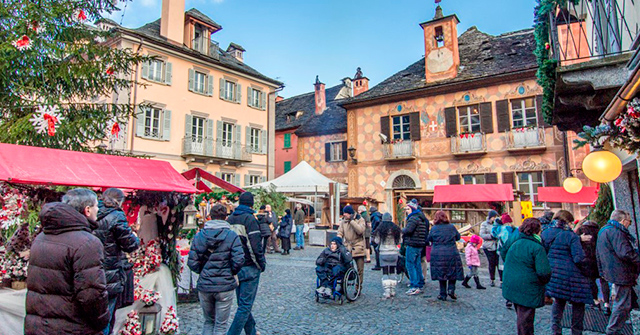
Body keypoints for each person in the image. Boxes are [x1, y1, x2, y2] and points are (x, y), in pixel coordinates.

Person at [26, 189, 109, 335]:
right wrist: (102, 320)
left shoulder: (42, 237)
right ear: (87, 210)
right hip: (72, 326)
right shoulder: (87, 243)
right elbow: (91, 294)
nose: (98, 210)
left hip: (39, 326)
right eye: (97, 206)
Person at [188, 204, 245, 335]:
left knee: (208, 322)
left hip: (205, 284)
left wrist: (202, 272)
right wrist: (230, 272)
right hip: (225, 286)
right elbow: (239, 260)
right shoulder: (232, 236)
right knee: (220, 325)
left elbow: (192, 262)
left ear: (210, 217)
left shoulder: (199, 236)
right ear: (225, 217)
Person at [93, 188, 140, 335]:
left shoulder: (91, 212)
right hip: (110, 271)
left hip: (90, 269)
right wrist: (134, 236)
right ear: (119, 201)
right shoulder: (116, 215)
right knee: (106, 317)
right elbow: (130, 244)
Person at [541, 210, 592, 335]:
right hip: (573, 277)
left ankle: (556, 331)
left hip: (555, 275)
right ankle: (576, 332)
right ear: (568, 222)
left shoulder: (546, 233)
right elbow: (578, 258)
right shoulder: (571, 236)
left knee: (558, 303)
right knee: (578, 304)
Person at [502, 218, 551, 335]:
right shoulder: (536, 247)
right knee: (525, 320)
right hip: (528, 287)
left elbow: (504, 253)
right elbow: (544, 272)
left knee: (521, 316)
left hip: (512, 282)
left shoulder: (515, 240)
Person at [227, 192, 266, 335]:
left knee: (242, 304)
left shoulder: (230, 219)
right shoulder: (250, 219)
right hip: (249, 265)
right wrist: (261, 264)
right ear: (251, 204)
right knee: (245, 306)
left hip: (235, 266)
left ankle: (251, 331)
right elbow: (255, 245)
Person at [596, 209, 640, 335]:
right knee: (622, 304)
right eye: (629, 222)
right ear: (622, 221)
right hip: (621, 272)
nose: (629, 224)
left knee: (625, 302)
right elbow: (625, 253)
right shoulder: (616, 232)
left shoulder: (605, 230)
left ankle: (615, 329)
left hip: (614, 271)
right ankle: (613, 330)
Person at [428, 210, 464, 301]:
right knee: (453, 271)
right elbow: (458, 237)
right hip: (451, 252)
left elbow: (429, 239)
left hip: (438, 253)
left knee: (441, 273)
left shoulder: (434, 228)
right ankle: (451, 289)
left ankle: (442, 294)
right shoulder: (451, 227)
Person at [574, 219, 609, 310]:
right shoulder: (600, 231)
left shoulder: (581, 231)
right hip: (601, 258)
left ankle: (595, 301)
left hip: (587, 260)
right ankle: (607, 304)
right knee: (604, 281)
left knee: (591, 281)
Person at [373, 212, 402, 298]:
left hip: (383, 253)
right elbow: (400, 241)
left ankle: (387, 291)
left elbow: (377, 241)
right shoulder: (396, 229)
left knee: (385, 271)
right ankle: (393, 290)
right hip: (393, 253)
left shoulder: (380, 229)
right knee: (393, 270)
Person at [402, 201, 427, 295]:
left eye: (408, 209)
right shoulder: (421, 218)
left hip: (413, 244)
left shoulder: (413, 218)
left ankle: (414, 285)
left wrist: (402, 230)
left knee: (410, 264)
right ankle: (420, 283)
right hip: (419, 244)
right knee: (417, 264)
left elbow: (408, 230)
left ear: (412, 209)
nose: (407, 211)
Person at [338, 205, 366, 288]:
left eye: (346, 213)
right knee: (344, 267)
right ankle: (344, 285)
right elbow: (340, 232)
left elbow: (360, 231)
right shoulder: (343, 221)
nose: (344, 215)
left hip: (358, 247)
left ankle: (359, 286)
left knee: (360, 269)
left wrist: (352, 221)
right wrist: (338, 239)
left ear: (350, 214)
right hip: (347, 247)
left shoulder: (360, 219)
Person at [480, 210, 501, 287]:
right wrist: (491, 236)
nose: (494, 219)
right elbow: (482, 234)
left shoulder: (498, 223)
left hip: (497, 246)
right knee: (492, 263)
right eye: (493, 217)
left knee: (499, 263)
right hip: (489, 246)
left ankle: (501, 280)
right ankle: (492, 279)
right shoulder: (484, 224)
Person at [369, 206, 383, 271]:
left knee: (376, 250)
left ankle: (378, 264)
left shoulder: (374, 216)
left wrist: (374, 229)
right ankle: (380, 264)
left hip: (376, 234)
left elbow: (377, 221)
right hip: (380, 234)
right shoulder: (379, 215)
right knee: (378, 250)